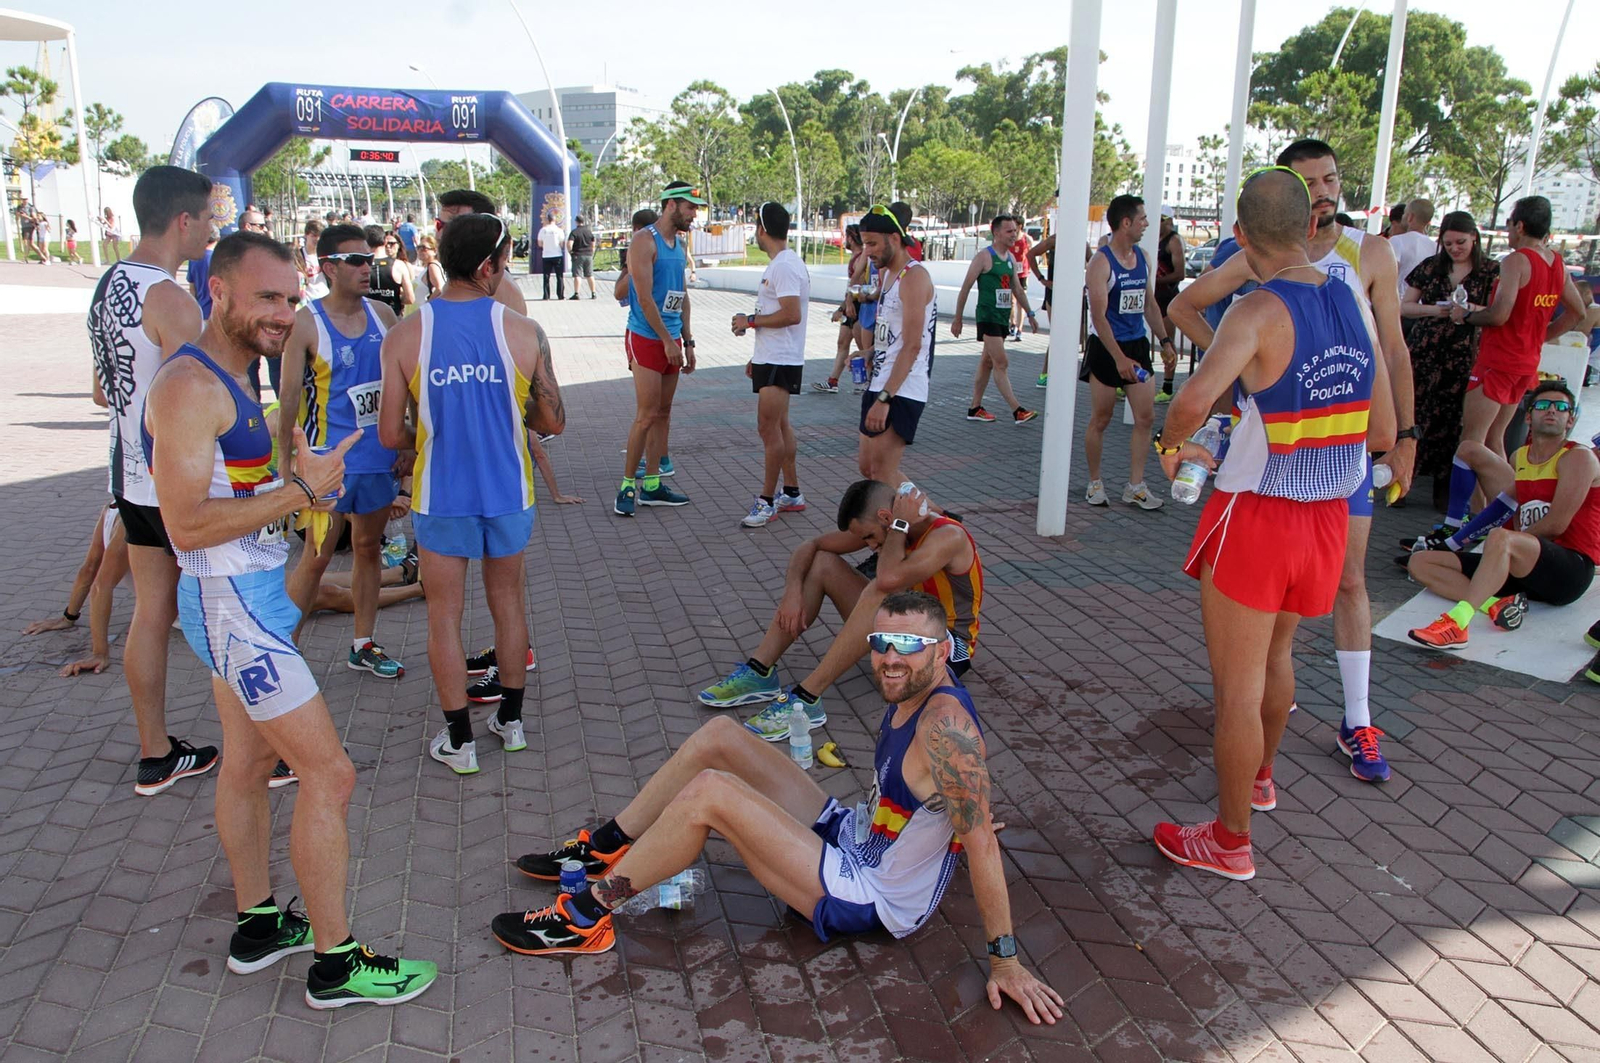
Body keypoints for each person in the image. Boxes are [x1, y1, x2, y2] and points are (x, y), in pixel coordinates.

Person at [498, 593, 1061, 1025]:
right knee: (721, 734)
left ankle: (584, 918)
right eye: (881, 642)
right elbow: (963, 811)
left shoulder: (945, 725)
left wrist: (1005, 960)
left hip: (871, 893)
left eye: (908, 646)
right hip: (856, 837)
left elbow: (982, 836)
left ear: (941, 652)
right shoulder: (910, 685)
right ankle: (604, 847)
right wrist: (956, 825)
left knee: (711, 793)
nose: (890, 658)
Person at [143, 229, 437, 1008]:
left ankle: (257, 924)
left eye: (288, 296)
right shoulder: (189, 386)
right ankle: (336, 965)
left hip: (250, 598)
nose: (282, 313)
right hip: (233, 608)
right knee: (329, 773)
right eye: (265, 297)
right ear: (219, 291)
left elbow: (233, 494)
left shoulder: (237, 373)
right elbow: (185, 525)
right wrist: (298, 495)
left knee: (244, 766)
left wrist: (295, 479)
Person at [1151, 167, 1395, 880]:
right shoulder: (1351, 293)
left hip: (1257, 514)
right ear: (1311, 226)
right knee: (1277, 660)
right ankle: (1258, 780)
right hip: (1326, 517)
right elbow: (1380, 426)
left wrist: (1172, 450)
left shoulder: (1255, 310)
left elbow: (1192, 401)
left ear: (1240, 235)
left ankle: (1229, 841)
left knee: (1237, 689)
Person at [378, 212, 565, 774]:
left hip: (441, 496)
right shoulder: (524, 331)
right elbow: (553, 421)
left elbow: (391, 434)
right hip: (508, 490)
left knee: (444, 616)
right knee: (507, 603)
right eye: (506, 260)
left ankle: (458, 741)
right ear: (488, 266)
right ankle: (511, 723)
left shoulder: (405, 333)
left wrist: (435, 429)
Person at [87, 165, 220, 797]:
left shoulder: (106, 285)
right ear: (182, 221)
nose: (214, 229)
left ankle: (155, 752)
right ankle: (266, 749)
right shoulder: (170, 297)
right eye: (210, 218)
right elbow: (196, 390)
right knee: (231, 609)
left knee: (150, 612)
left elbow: (99, 389)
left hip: (129, 478)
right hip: (177, 481)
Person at [700, 478, 981, 738]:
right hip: (905, 630)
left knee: (878, 589)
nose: (870, 546)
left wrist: (897, 528)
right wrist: (792, 592)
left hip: (947, 649)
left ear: (886, 518)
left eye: (871, 536)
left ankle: (808, 698)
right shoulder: (889, 529)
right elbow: (810, 546)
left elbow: (887, 579)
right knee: (823, 562)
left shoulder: (948, 536)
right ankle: (760, 670)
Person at [277, 222, 407, 678]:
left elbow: (401, 388)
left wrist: (405, 445)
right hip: (327, 467)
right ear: (329, 267)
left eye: (370, 260)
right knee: (314, 560)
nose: (366, 269)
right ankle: (284, 653)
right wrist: (284, 466)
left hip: (377, 459)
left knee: (368, 548)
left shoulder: (384, 316)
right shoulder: (306, 323)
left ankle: (363, 643)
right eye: (355, 261)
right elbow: (289, 398)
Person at [1407, 381, 1600, 647]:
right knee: (1420, 562)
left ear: (1571, 420)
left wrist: (1500, 545)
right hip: (1525, 565)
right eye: (1543, 405)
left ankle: (1458, 623)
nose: (1552, 411)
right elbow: (1499, 507)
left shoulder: (1578, 458)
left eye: (1561, 407)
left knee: (1501, 538)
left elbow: (1557, 524)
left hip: (1569, 571)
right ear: (1529, 416)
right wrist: (1455, 543)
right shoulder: (1520, 457)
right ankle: (1498, 605)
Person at [1455, 196, 1586, 461]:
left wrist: (1465, 315)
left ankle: (1480, 504)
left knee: (1471, 443)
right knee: (1494, 440)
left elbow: (1499, 315)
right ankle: (1503, 502)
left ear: (1520, 226)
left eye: (1509, 223)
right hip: (1525, 363)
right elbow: (1577, 312)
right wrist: (1539, 337)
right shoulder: (1557, 263)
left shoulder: (1517, 261)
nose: (1507, 230)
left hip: (1498, 361)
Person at [1081, 194, 1176, 511]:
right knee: (1102, 418)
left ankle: (1135, 485)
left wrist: (1164, 341)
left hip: (1137, 346)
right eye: (1143, 219)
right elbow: (1098, 316)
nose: (1147, 224)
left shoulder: (1144, 258)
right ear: (1126, 223)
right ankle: (1095, 482)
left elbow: (1149, 303)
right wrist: (1118, 358)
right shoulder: (1100, 263)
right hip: (1107, 349)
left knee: (1146, 417)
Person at [1399, 211, 1499, 509]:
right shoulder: (1430, 267)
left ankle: (1445, 489)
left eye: (1461, 242)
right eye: (1449, 243)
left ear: (1474, 239)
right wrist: (1435, 310)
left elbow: (1499, 312)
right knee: (1415, 414)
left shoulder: (1492, 271)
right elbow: (1405, 306)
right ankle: (1403, 480)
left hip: (1465, 355)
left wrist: (1469, 310)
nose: (1455, 248)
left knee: (1455, 422)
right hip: (1426, 352)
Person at [615, 182, 703, 517]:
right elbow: (644, 297)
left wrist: (688, 340)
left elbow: (682, 296)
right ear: (671, 205)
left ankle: (652, 484)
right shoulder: (643, 241)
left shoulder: (679, 244)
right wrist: (667, 340)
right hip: (646, 338)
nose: (694, 214)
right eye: (690, 207)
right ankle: (626, 485)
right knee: (646, 414)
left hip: (672, 339)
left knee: (664, 413)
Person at [732, 202, 810, 528]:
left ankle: (766, 501)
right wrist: (757, 353)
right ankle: (791, 492)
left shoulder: (784, 266)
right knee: (779, 426)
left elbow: (792, 314)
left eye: (755, 226)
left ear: (762, 229)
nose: (755, 233)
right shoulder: (782, 264)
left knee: (768, 429)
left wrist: (750, 321)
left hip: (780, 360)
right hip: (773, 357)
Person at [856, 205, 935, 489]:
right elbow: (893, 333)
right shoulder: (888, 274)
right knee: (869, 468)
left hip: (903, 387)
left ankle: (935, 526)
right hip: (881, 378)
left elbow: (913, 345)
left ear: (894, 238)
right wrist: (871, 352)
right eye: (865, 244)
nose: (868, 252)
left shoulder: (914, 277)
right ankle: (940, 518)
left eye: (872, 244)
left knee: (881, 473)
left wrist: (885, 399)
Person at [952, 215, 1039, 425]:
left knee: (987, 363)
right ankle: (1017, 410)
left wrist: (1030, 314)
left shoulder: (1011, 258)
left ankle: (975, 408)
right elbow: (965, 288)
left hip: (1002, 318)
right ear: (996, 233)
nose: (1014, 235)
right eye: (1009, 231)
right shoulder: (984, 257)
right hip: (988, 316)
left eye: (1015, 231)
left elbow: (1017, 289)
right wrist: (957, 318)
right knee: (1001, 362)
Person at [436, 189, 528, 316]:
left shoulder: (498, 286)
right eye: (439, 224)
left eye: (453, 225)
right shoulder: (466, 279)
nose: (440, 234)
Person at [1153, 206, 1186, 400]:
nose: (1158, 224)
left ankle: (1167, 386)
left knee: (1166, 341)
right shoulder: (1150, 238)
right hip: (1152, 297)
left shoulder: (1174, 241)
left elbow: (1180, 274)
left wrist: (1154, 281)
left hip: (1167, 298)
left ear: (1169, 221)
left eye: (1162, 219)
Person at [1388, 198, 1436, 302]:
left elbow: (1387, 275)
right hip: (1421, 307)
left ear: (1410, 217)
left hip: (1398, 303)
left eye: (1404, 214)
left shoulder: (1397, 241)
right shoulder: (1436, 247)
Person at [1025, 231, 1056, 388]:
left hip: (1074, 296)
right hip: (1054, 295)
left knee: (1074, 337)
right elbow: (1030, 255)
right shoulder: (1054, 240)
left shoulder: (1082, 244)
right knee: (1058, 334)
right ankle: (1045, 373)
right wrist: (1042, 279)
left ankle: (1057, 371)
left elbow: (1092, 262)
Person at [364, 225, 414, 316]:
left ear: (365, 242)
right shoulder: (399, 265)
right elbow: (410, 298)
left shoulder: (361, 265)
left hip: (368, 317)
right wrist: (396, 299)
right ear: (384, 242)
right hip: (392, 317)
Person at [187, 229, 219, 320]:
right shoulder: (217, 259)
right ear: (217, 238)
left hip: (200, 309)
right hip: (214, 312)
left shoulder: (193, 259)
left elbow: (192, 288)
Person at [1008, 224, 1033, 341]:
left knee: (1020, 303)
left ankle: (1020, 329)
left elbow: (1032, 255)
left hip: (1023, 274)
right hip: (1011, 273)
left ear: (1020, 226)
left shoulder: (1027, 239)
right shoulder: (1009, 239)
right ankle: (1012, 323)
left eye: (1015, 226)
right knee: (1011, 302)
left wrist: (1030, 269)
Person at [537, 212, 566, 300]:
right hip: (557, 255)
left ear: (547, 220)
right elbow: (562, 244)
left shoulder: (543, 230)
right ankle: (560, 295)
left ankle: (546, 295)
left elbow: (539, 244)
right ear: (555, 220)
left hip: (546, 255)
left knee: (546, 276)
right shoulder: (559, 230)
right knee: (559, 276)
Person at [568, 214, 597, 299]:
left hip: (578, 255)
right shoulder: (589, 231)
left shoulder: (574, 232)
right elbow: (593, 243)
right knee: (590, 274)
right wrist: (592, 251)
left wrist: (571, 252)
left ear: (576, 222)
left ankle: (576, 293)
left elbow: (569, 244)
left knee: (577, 275)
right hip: (588, 255)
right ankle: (593, 293)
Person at [415, 234, 444, 300]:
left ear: (434, 251)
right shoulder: (428, 267)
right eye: (418, 247)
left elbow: (440, 289)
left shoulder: (433, 266)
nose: (420, 251)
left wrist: (427, 305)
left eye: (424, 248)